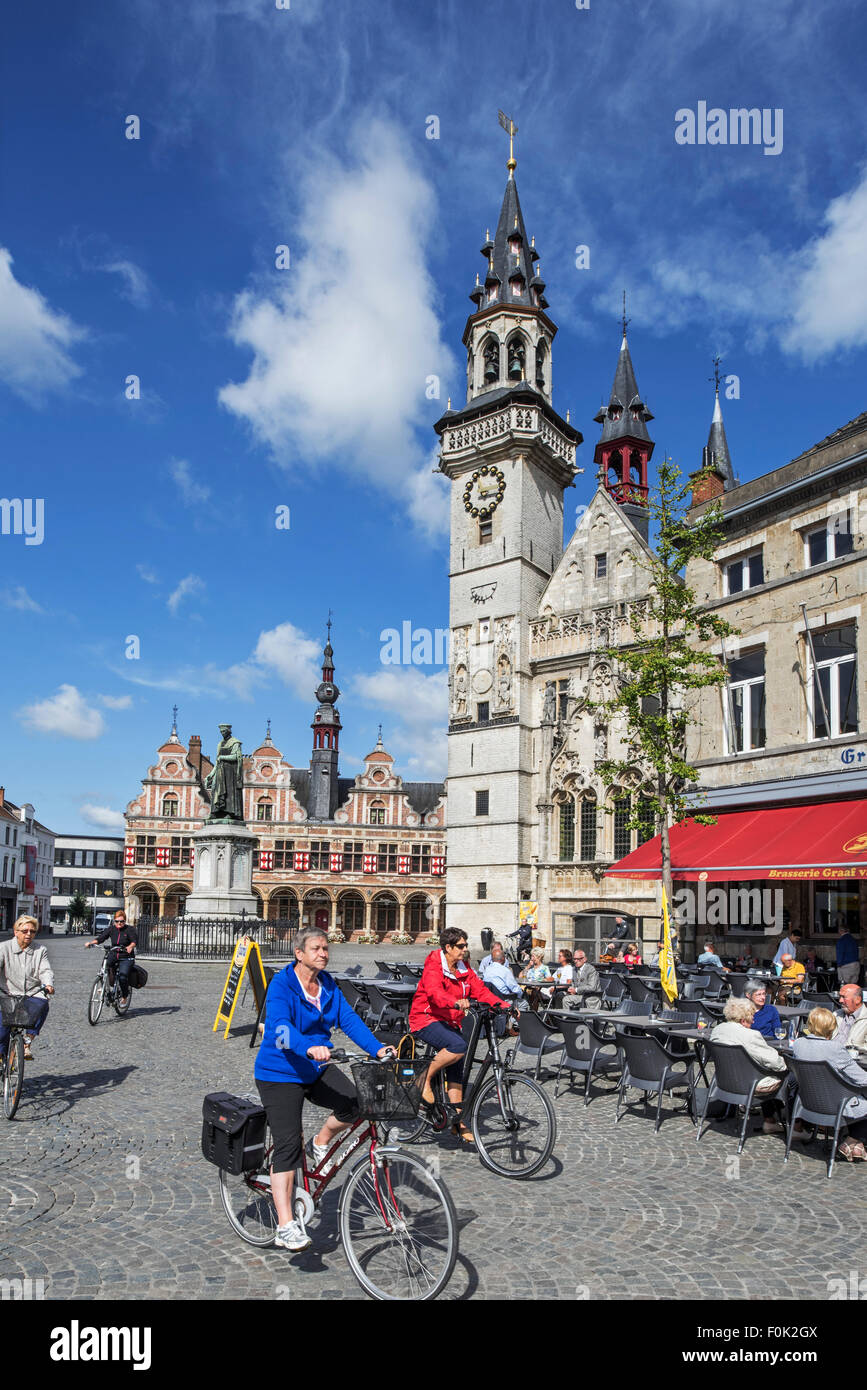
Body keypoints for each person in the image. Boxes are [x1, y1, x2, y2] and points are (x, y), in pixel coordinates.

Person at [254, 926, 395, 1252]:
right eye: (316, 948)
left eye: (326, 948)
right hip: (280, 1073)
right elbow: (279, 1031)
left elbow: (349, 1020)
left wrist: (377, 1049)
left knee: (355, 1104)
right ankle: (286, 1224)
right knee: (288, 1145)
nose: (323, 953)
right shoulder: (282, 985)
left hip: (315, 1069)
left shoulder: (328, 986)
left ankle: (322, 1140)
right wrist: (307, 1047)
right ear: (299, 954)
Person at [409, 927, 510, 1144]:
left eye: (465, 946)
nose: (465, 950)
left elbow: (480, 990)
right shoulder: (434, 965)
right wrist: (454, 1001)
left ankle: (457, 1121)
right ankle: (423, 1077)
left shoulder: (463, 967)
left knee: (458, 1067)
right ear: (448, 947)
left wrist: (504, 1005)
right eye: (461, 946)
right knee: (457, 1046)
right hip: (425, 1019)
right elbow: (435, 993)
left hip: (449, 1021)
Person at [793, 1007, 867, 1161]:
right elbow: (862, 1079)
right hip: (834, 1104)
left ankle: (857, 1146)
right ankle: (851, 1141)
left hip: (808, 1102)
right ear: (832, 1028)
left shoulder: (799, 1044)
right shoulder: (835, 1048)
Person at [710, 997, 788, 1133]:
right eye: (752, 1016)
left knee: (763, 1069)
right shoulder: (750, 1035)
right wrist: (786, 1062)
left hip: (724, 1081)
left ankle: (771, 1120)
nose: (754, 1020)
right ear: (743, 1020)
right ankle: (795, 1123)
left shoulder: (717, 1030)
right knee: (786, 1073)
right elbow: (777, 1064)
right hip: (748, 1084)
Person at [0, 915, 55, 1063]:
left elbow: (45, 970)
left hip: (31, 993)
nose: (28, 934)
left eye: (32, 931)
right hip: (7, 994)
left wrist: (48, 984)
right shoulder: (3, 948)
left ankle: (27, 1042)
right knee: (1, 1035)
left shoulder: (40, 950)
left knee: (43, 1003)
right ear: (16, 931)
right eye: (24, 931)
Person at [86, 908, 138, 1001]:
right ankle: (103, 987)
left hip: (126, 957)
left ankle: (125, 996)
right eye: (117, 921)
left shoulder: (129, 929)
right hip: (114, 954)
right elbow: (101, 938)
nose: (119, 923)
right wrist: (91, 943)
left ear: (124, 921)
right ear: (114, 921)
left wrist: (130, 947)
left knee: (122, 976)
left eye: (121, 921)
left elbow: (134, 941)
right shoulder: (111, 929)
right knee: (104, 969)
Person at [834, 984, 867, 1051]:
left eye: (844, 997)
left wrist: (853, 1049)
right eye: (840, 996)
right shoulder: (835, 1015)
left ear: (857, 999)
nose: (840, 1000)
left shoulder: (865, 1019)